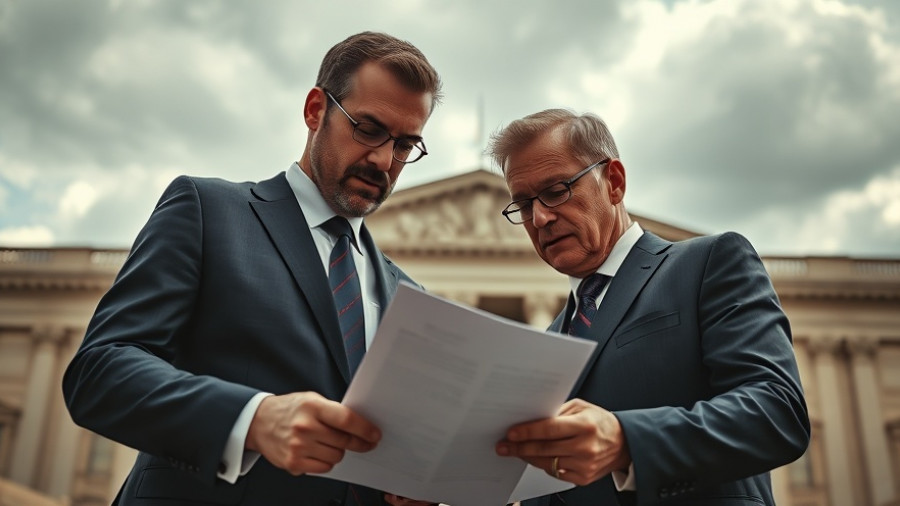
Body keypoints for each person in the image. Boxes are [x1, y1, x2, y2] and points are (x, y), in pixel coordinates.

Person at [63, 31, 442, 506]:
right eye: (368, 129)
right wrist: (253, 419)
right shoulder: (208, 211)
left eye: (406, 145)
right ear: (315, 110)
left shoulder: (409, 293)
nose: (384, 160)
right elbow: (99, 372)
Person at [488, 109, 810, 506]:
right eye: (523, 205)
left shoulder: (707, 263)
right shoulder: (554, 335)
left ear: (614, 182)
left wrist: (626, 441)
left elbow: (777, 413)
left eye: (556, 191)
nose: (540, 218)